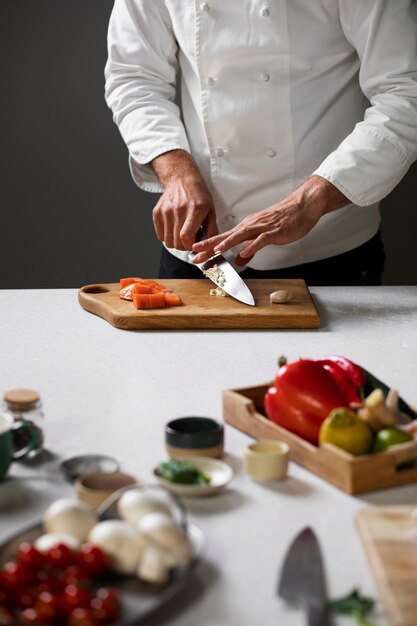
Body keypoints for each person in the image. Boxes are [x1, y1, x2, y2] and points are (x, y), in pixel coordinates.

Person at [104, 0, 417, 286]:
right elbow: (135, 78)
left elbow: (406, 92)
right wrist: (176, 174)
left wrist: (311, 200)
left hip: (325, 247)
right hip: (201, 247)